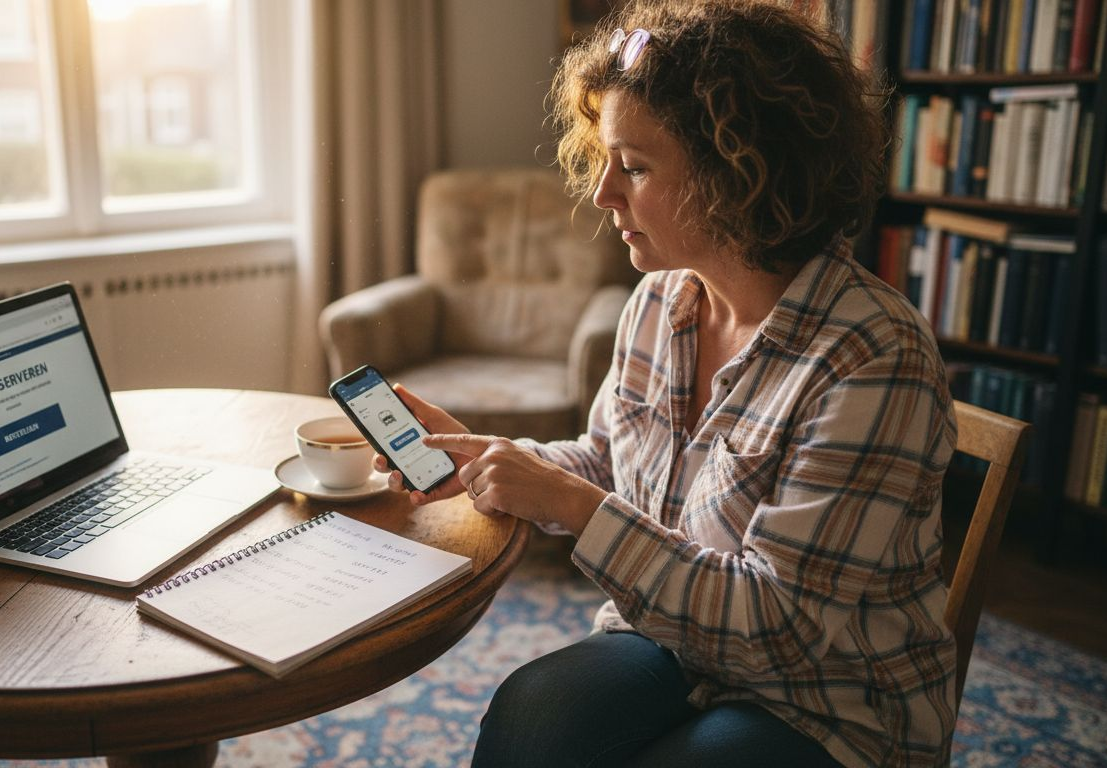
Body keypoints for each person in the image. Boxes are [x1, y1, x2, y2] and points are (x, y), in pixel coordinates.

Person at [374, 1, 958, 766]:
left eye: (636, 166)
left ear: (739, 173)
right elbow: (609, 461)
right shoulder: (658, 302)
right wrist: (499, 460)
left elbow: (779, 629)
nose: (602, 193)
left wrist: (573, 506)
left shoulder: (873, 356)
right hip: (673, 641)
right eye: (606, 158)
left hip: (827, 699)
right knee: (531, 713)